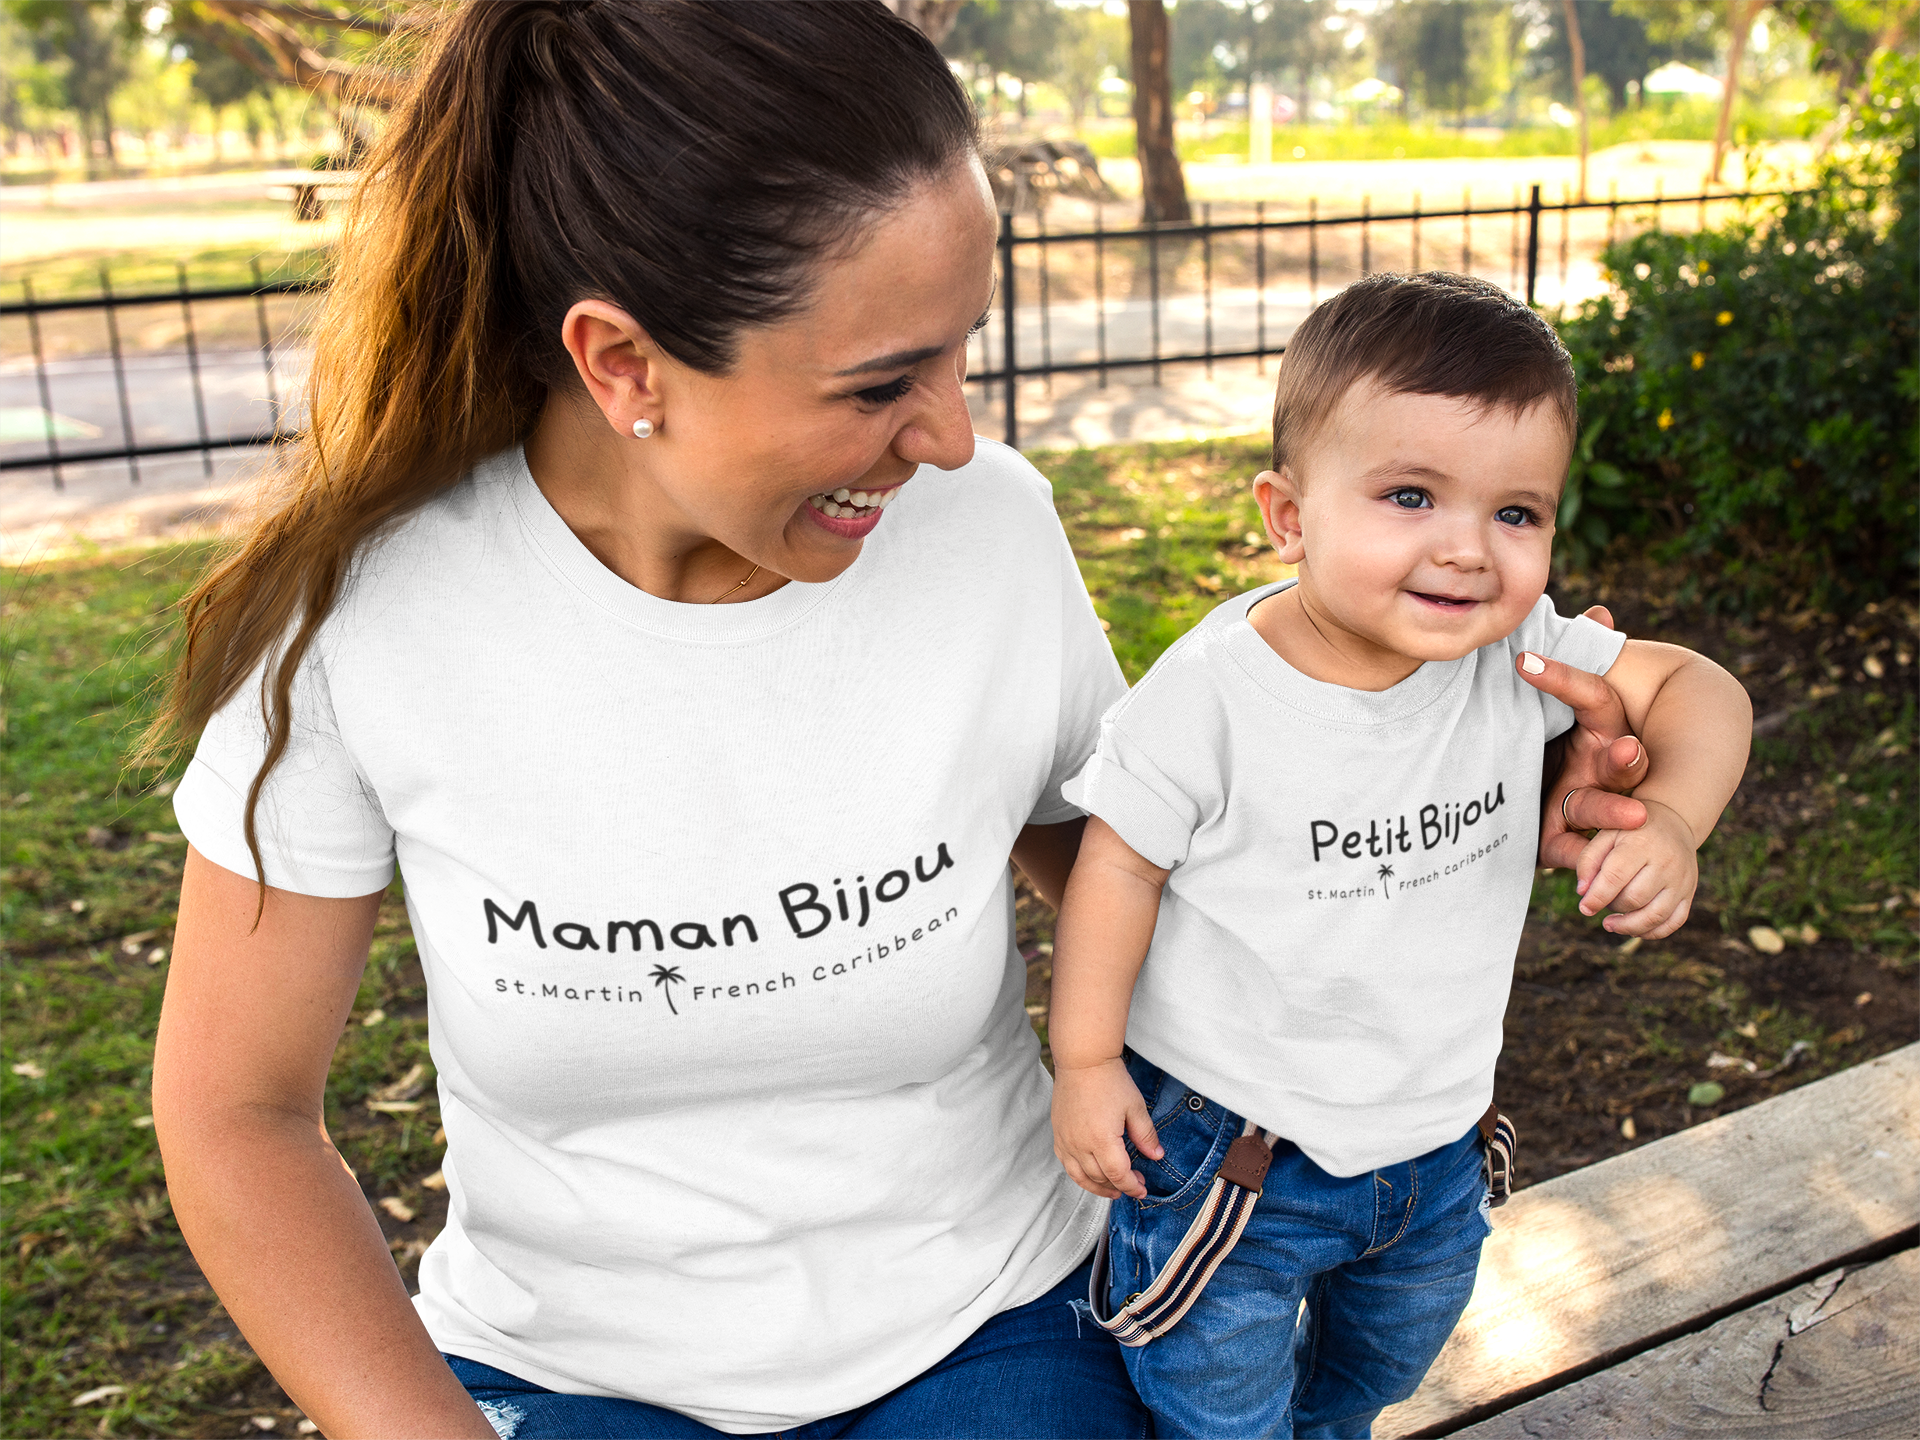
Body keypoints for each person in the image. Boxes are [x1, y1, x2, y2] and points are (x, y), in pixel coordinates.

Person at [144, 4, 1656, 1435]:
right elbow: (237, 1117)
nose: (950, 435)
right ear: (623, 364)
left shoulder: (984, 531)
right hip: (570, 1371)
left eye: (959, 350)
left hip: (991, 1323)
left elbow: (1155, 870)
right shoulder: (365, 623)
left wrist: (1472, 786)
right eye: (880, 385)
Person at [1047, 273, 1753, 1440]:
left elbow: (1695, 685)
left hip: (1437, 1137)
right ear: (1290, 516)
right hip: (1239, 1149)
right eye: (1411, 496)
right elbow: (1117, 870)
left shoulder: (1515, 652)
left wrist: (1673, 816)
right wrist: (1083, 1060)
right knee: (1215, 1399)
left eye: (1516, 513)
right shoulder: (1212, 699)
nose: (1467, 550)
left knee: (1381, 1367)